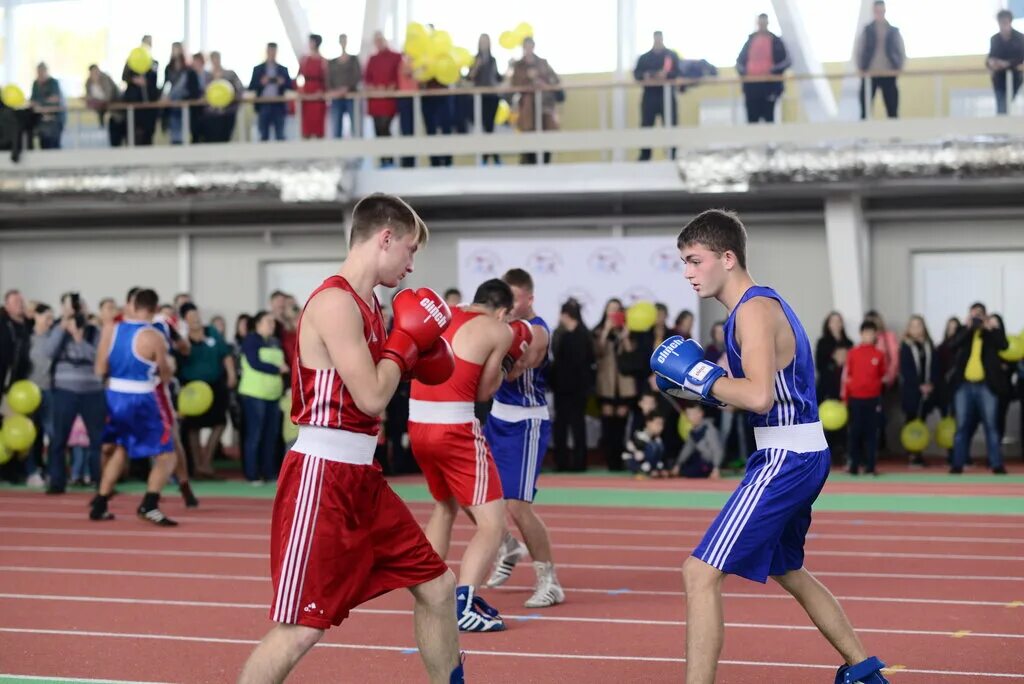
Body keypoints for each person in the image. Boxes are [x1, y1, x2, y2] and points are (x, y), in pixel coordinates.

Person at [649, 209, 888, 684]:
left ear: (728, 257)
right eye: (684, 262)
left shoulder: (754, 311)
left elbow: (758, 395)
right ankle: (863, 671)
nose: (688, 273)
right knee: (789, 568)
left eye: (695, 261)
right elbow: (761, 395)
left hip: (787, 456)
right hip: (794, 449)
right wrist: (706, 392)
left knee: (698, 573)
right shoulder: (758, 306)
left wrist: (703, 378)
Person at [238, 193, 463, 684]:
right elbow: (370, 397)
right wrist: (405, 347)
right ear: (385, 238)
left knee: (438, 585)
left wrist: (407, 353)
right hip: (321, 477)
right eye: (409, 249)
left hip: (363, 475)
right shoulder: (336, 302)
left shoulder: (370, 304)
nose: (410, 264)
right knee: (299, 628)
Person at [409, 278, 528, 632]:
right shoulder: (498, 330)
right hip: (454, 426)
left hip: (417, 421)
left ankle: (428, 587)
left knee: (445, 507)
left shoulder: (442, 314)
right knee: (493, 524)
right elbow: (483, 392)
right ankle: (464, 603)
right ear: (504, 311)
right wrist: (508, 360)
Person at [484, 268, 565, 609]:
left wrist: (486, 347)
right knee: (471, 493)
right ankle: (507, 545)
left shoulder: (539, 332)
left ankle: (549, 580)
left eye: (514, 298)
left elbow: (513, 370)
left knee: (517, 506)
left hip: (526, 422)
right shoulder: (500, 325)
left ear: (529, 298)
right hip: (497, 415)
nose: (509, 304)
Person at [91, 289, 177, 525]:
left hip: (115, 395)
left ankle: (100, 502)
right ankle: (149, 504)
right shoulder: (153, 336)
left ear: (132, 305)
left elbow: (99, 368)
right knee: (167, 454)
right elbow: (165, 374)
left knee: (121, 447)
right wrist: (168, 366)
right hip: (142, 398)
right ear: (154, 309)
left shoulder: (111, 329)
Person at [43, 293, 106, 494]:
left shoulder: (95, 331)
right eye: (72, 308)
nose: (78, 311)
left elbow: (101, 358)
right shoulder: (57, 329)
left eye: (81, 306)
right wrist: (63, 327)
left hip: (93, 392)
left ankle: (101, 482)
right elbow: (48, 351)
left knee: (98, 440)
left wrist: (79, 340)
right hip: (64, 391)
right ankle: (56, 482)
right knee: (58, 439)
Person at [946, 303, 1009, 474]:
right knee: (962, 426)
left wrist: (989, 328)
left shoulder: (990, 333)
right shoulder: (964, 331)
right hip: (964, 386)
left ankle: (996, 463)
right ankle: (957, 463)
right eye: (974, 314)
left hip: (986, 386)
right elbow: (951, 345)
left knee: (991, 425)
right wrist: (967, 328)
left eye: (980, 314)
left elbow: (1004, 345)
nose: (977, 318)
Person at [177, 303, 235, 479]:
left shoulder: (212, 332)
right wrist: (185, 336)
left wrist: (231, 374)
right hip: (192, 387)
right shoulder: (183, 338)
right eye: (190, 316)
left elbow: (225, 355)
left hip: (215, 384)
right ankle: (197, 466)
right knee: (193, 426)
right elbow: (182, 353)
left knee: (220, 422)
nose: (195, 318)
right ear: (184, 319)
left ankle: (206, 462)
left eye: (196, 314)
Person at [238, 311, 287, 484]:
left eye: (273, 322)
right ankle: (252, 474)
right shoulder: (251, 340)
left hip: (273, 395)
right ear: (258, 323)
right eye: (268, 321)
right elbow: (254, 362)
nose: (272, 325)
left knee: (271, 436)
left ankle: (269, 473)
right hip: (254, 394)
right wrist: (277, 369)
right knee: (255, 435)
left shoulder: (275, 342)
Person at [550, 299, 595, 472]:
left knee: (575, 424)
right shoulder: (562, 332)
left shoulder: (581, 333)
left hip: (576, 386)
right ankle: (564, 462)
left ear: (565, 314)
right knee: (564, 424)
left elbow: (587, 358)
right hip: (564, 385)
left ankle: (577, 462)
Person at [593, 298, 634, 470]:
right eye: (611, 309)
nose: (614, 313)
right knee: (608, 423)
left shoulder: (627, 330)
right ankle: (609, 460)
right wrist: (606, 331)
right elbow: (597, 353)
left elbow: (631, 354)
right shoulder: (598, 331)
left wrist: (624, 337)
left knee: (621, 423)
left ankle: (619, 460)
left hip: (624, 384)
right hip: (607, 383)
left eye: (617, 309)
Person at [842, 320, 886, 476]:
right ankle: (853, 465)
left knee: (872, 433)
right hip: (856, 399)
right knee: (855, 433)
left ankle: (871, 466)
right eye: (866, 333)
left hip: (873, 399)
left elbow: (882, 375)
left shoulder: (879, 355)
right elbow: (848, 376)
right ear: (861, 334)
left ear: (875, 335)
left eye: (871, 333)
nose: (868, 336)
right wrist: (845, 398)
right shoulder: (853, 353)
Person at [510, 37, 561, 164]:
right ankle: (529, 162)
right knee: (528, 135)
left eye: (530, 46)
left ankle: (545, 162)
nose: (528, 49)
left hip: (544, 106)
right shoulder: (519, 66)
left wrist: (541, 80)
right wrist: (527, 78)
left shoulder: (542, 63)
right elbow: (514, 84)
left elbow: (555, 80)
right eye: (526, 46)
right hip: (527, 108)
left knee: (546, 134)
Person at [898, 315, 939, 467]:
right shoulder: (906, 346)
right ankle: (911, 454)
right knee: (911, 420)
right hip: (911, 391)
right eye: (913, 325)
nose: (916, 328)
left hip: (927, 390)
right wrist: (918, 385)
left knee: (922, 421)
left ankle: (919, 452)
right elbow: (906, 369)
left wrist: (930, 384)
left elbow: (935, 367)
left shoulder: (930, 345)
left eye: (919, 325)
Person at [634, 31, 680, 161]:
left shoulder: (671, 55)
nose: (658, 41)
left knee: (671, 124)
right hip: (650, 96)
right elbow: (637, 74)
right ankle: (645, 155)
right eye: (656, 39)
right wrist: (647, 76)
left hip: (667, 95)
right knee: (646, 125)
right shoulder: (644, 58)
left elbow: (677, 72)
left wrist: (665, 76)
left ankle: (672, 155)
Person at [736, 14, 790, 124]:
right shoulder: (750, 40)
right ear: (757, 23)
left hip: (769, 86)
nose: (762, 25)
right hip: (751, 86)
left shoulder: (775, 41)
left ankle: (769, 141)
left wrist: (772, 71)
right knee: (752, 119)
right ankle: (754, 141)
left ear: (767, 23)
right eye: (760, 23)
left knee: (769, 118)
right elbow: (739, 62)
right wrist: (744, 72)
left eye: (764, 23)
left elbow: (786, 61)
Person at [856, 0, 906, 119]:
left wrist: (899, 68)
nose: (879, 13)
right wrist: (861, 68)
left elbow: (901, 51)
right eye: (877, 11)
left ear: (885, 11)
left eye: (881, 11)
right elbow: (859, 50)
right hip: (870, 75)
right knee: (865, 111)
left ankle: (894, 136)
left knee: (892, 110)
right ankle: (864, 137)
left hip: (888, 74)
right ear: (874, 12)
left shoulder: (893, 31)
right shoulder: (867, 30)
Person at [364, 31, 402, 166]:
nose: (379, 43)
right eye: (377, 41)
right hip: (375, 100)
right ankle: (383, 159)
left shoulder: (396, 56)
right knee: (378, 130)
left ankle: (389, 158)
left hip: (389, 100)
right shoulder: (372, 59)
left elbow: (399, 75)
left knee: (385, 127)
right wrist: (373, 88)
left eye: (381, 40)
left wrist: (391, 86)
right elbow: (367, 78)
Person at [468, 33, 503, 164]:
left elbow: (497, 77)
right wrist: (477, 66)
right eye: (482, 41)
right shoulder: (474, 59)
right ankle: (491, 157)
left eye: (486, 41)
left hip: (492, 97)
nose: (484, 44)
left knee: (490, 127)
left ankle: (488, 157)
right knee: (484, 127)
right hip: (480, 98)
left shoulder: (493, 59)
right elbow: (469, 77)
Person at [249, 43, 292, 142]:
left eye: (274, 51)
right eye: (270, 51)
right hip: (263, 104)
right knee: (263, 135)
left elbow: (290, 86)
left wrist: (282, 82)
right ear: (267, 51)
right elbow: (252, 87)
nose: (272, 53)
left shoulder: (283, 69)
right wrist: (261, 82)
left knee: (280, 135)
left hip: (278, 105)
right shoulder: (258, 69)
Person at [987, 10, 1024, 115]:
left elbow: (1021, 57)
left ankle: (1004, 128)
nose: (1003, 25)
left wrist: (1006, 64)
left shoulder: (1020, 38)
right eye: (1001, 22)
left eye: (1005, 22)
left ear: (1010, 22)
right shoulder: (994, 39)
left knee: (1005, 105)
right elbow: (990, 57)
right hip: (999, 79)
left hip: (1015, 78)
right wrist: (991, 63)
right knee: (1001, 106)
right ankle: (1002, 129)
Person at [674, 403, 724, 479]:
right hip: (699, 461)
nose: (691, 417)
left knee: (686, 473)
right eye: (689, 414)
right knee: (682, 470)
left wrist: (716, 468)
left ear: (701, 414)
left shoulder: (709, 429)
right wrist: (678, 464)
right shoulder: (694, 431)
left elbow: (717, 450)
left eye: (694, 414)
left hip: (709, 463)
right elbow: (687, 449)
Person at [327, 33, 361, 138]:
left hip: (351, 96)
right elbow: (328, 78)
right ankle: (337, 152)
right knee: (336, 128)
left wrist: (346, 89)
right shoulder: (332, 62)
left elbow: (357, 76)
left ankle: (358, 153)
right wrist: (334, 91)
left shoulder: (354, 59)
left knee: (356, 127)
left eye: (344, 40)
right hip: (336, 97)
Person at [298, 34, 328, 139]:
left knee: (318, 126)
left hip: (318, 96)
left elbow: (326, 80)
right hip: (306, 95)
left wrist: (321, 92)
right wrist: (301, 92)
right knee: (306, 128)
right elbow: (299, 77)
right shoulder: (304, 60)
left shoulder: (323, 61)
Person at [30, 62, 65, 149]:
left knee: (53, 143)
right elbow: (33, 101)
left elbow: (55, 100)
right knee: (43, 142)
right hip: (41, 120)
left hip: (55, 119)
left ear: (46, 71)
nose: (40, 74)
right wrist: (44, 102)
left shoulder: (53, 83)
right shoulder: (36, 84)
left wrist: (40, 103)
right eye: (38, 72)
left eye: (42, 71)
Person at [623, 410, 667, 478]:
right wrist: (650, 470)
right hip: (632, 461)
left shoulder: (658, 440)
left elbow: (658, 458)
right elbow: (638, 456)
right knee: (651, 447)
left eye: (662, 424)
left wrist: (660, 469)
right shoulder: (640, 436)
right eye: (657, 423)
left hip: (647, 464)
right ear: (648, 423)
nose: (660, 427)